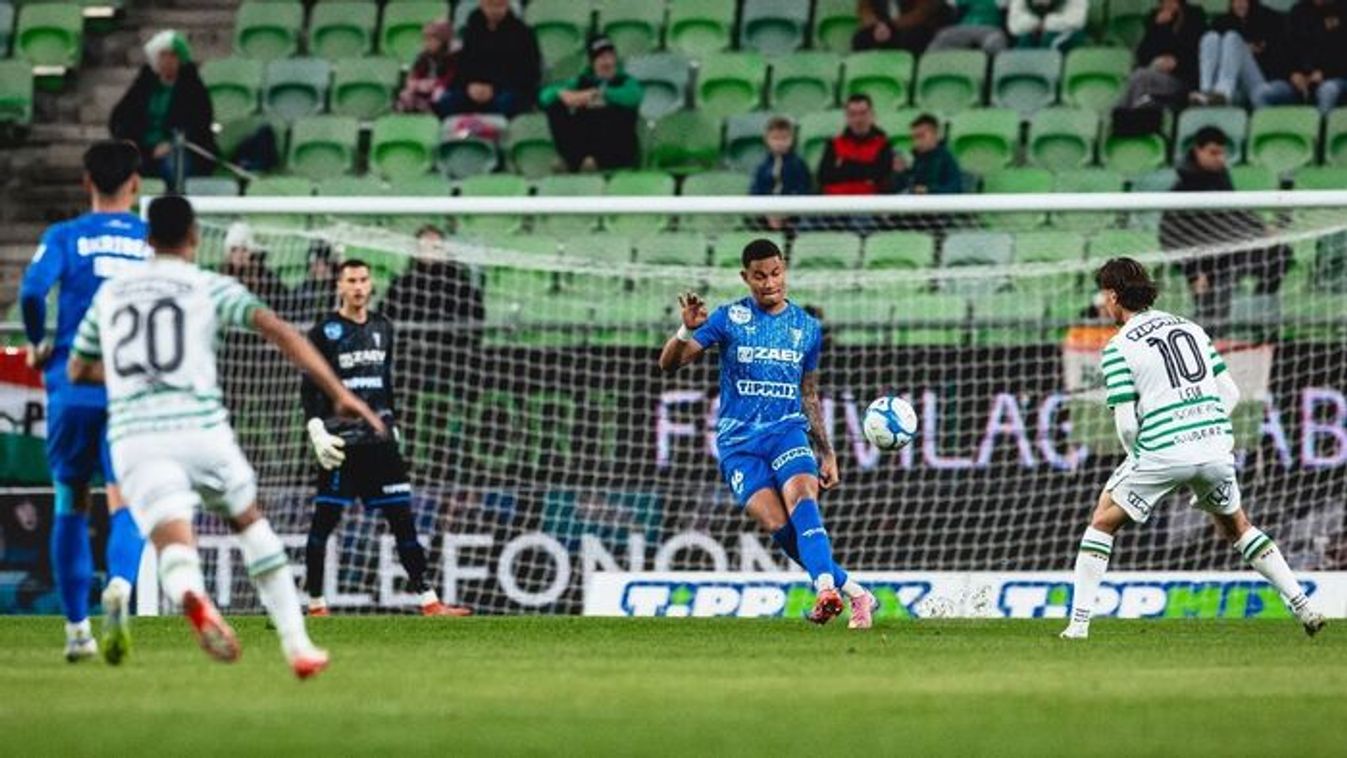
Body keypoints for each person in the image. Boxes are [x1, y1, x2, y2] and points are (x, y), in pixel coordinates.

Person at [67, 196, 382, 678]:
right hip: (201, 428)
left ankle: (193, 595)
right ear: (194, 237)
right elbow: (280, 331)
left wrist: (140, 380)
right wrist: (338, 392)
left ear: (147, 239)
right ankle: (298, 646)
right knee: (250, 524)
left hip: (137, 437)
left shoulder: (111, 294)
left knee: (174, 541)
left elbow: (78, 368)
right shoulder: (209, 285)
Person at [1060, 258, 1325, 640]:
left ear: (1114, 296)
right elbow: (1230, 392)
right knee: (1238, 526)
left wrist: (1139, 457)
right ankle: (1304, 606)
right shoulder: (1190, 327)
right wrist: (1203, 426)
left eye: (1104, 296)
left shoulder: (1119, 346)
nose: (1103, 304)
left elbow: (1127, 424)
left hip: (1164, 450)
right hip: (1214, 446)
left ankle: (1078, 626)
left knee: (1102, 521)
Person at [657, 239, 876, 629]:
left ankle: (825, 589)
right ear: (746, 277)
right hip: (738, 444)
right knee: (779, 525)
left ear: (784, 269)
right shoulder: (728, 318)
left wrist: (827, 452)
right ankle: (857, 593)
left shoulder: (807, 328)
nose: (769, 283)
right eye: (759, 276)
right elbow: (669, 364)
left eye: (775, 273)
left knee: (802, 497)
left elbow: (809, 393)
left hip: (787, 432)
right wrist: (686, 330)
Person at [18, 140, 151, 664]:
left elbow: (32, 292)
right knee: (126, 500)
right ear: (136, 183)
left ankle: (77, 630)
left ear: (86, 182)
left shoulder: (65, 236)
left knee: (70, 501)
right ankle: (119, 583)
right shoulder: (149, 240)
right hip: (129, 387)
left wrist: (37, 341)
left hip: (72, 386)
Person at [301, 260, 470, 618]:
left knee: (403, 520)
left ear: (371, 284)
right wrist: (316, 428)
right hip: (342, 443)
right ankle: (315, 604)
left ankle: (429, 601)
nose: (358, 287)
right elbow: (310, 386)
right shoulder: (324, 331)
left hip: (380, 442)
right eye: (351, 280)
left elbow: (385, 381)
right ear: (339, 286)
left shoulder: (383, 327)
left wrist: (393, 423)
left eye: (363, 280)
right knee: (323, 524)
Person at [1159, 127, 1288, 328]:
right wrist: (1193, 273)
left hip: (1233, 253)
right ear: (1198, 151)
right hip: (1204, 263)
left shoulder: (1220, 177)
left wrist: (1261, 227)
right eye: (1213, 153)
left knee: (1279, 254)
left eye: (1222, 153)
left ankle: (1261, 316)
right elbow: (1170, 235)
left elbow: (1236, 208)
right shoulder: (1182, 190)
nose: (1220, 158)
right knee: (1211, 320)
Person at [109, 30, 217, 189]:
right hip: (143, 147)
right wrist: (128, 139)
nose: (168, 61)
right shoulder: (144, 83)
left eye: (173, 56)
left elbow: (200, 123)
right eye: (163, 55)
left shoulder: (192, 87)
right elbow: (120, 116)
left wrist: (171, 144)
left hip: (178, 149)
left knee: (173, 166)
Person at [539, 36, 644, 172]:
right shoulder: (581, 81)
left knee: (613, 112)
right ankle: (571, 159)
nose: (607, 62)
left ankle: (597, 161)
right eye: (602, 58)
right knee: (556, 107)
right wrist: (564, 94)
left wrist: (600, 94)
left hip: (616, 148)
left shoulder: (625, 81)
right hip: (584, 145)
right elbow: (545, 96)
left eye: (610, 57)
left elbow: (634, 96)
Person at [438, 0, 542, 117]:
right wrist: (469, 86)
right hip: (473, 88)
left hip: (507, 89)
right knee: (448, 101)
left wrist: (494, 88)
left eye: (499, 6)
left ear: (507, 5)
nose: (495, 11)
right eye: (490, 6)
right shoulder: (471, 29)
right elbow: (463, 65)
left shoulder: (523, 33)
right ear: (482, 4)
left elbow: (529, 72)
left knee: (506, 102)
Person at [1192, 0, 1293, 106]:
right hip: (1235, 89)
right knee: (1210, 37)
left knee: (1232, 38)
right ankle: (1205, 90)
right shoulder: (1222, 22)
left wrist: (1252, 50)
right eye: (1235, 1)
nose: (1239, 4)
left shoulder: (1270, 19)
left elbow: (1281, 56)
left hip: (1259, 81)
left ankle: (1223, 93)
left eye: (1243, 0)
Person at [1118, 1, 1209, 111]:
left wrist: (1176, 63)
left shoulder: (1194, 17)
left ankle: (1120, 113)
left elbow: (1196, 54)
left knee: (1140, 78)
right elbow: (1143, 56)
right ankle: (1123, 114)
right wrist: (1157, 27)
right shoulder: (1154, 18)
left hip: (1183, 80)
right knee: (1139, 81)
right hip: (1157, 75)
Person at [817, 94, 894, 196]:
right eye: (852, 114)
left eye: (863, 113)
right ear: (847, 117)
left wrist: (844, 166)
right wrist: (867, 171)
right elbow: (823, 177)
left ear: (872, 115)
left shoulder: (884, 145)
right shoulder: (833, 144)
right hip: (836, 203)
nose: (858, 119)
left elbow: (883, 178)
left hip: (870, 204)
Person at [750, 116, 812, 231]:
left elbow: (804, 190)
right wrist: (768, 213)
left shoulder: (798, 164)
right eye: (775, 138)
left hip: (793, 216)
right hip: (767, 215)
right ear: (767, 140)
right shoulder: (763, 167)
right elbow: (756, 191)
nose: (779, 143)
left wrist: (786, 213)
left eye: (784, 138)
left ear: (792, 139)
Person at [1286, 0, 1347, 114]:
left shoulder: (1342, 10)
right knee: (1268, 93)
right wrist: (1293, 73)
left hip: (1338, 77)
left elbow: (1342, 54)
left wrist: (1325, 73)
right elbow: (1288, 49)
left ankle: (1322, 125)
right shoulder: (1298, 11)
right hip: (1302, 79)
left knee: (1327, 90)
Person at [220, 221, 287, 309]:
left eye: (244, 250)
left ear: (252, 252)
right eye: (234, 249)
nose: (239, 255)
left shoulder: (265, 278)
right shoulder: (223, 278)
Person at [893, 113, 963, 195]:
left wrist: (929, 191)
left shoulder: (946, 158)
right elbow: (907, 186)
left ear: (935, 135)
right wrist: (901, 172)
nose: (917, 142)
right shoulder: (916, 158)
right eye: (914, 138)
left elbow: (955, 189)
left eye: (921, 136)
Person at [396, 20, 457, 114]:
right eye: (425, 39)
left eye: (431, 40)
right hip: (422, 89)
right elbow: (414, 75)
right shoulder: (423, 56)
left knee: (439, 97)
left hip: (442, 90)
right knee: (405, 96)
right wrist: (415, 84)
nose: (427, 43)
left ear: (443, 41)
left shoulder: (452, 57)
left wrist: (434, 84)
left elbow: (450, 78)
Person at [853, 0, 952, 53]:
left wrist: (891, 25)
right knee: (861, 38)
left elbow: (923, 12)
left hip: (915, 26)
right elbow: (864, 8)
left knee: (913, 37)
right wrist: (876, 25)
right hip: (883, 26)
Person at [928, 0, 1008, 54]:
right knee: (943, 36)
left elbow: (1004, 4)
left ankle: (988, 70)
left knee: (995, 40)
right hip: (964, 28)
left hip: (989, 28)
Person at [1007, 0, 1087, 49]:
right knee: (1025, 40)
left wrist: (1046, 23)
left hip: (1067, 35)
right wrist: (1035, 23)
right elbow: (1014, 26)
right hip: (1035, 31)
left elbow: (1077, 21)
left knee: (1049, 39)